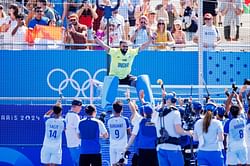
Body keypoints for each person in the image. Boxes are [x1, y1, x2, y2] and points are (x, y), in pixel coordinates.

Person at [94, 30, 156, 109]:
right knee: (112, 83)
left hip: (126, 77)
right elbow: (104, 45)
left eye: (127, 46)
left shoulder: (131, 52)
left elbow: (142, 46)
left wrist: (150, 40)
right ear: (120, 46)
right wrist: (96, 38)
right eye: (123, 46)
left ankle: (147, 104)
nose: (125, 48)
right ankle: (107, 106)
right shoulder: (115, 52)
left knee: (139, 81)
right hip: (114, 77)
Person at [154, 91, 192, 166]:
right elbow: (178, 130)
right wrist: (188, 133)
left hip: (160, 148)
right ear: (174, 100)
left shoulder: (157, 113)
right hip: (173, 148)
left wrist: (162, 102)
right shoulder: (175, 113)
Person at [224, 92, 247, 166]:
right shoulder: (243, 119)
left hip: (232, 147)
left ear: (230, 113)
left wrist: (231, 95)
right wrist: (237, 99)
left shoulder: (229, 122)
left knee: (231, 164)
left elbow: (227, 105)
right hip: (242, 145)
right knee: (244, 164)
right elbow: (241, 107)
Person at [107, 100, 131, 165]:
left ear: (113, 109)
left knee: (113, 164)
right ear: (122, 109)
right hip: (122, 146)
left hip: (112, 145)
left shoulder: (109, 120)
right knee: (121, 164)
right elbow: (129, 133)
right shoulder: (125, 120)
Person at [65, 99, 82, 166]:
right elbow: (78, 133)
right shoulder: (75, 116)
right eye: (80, 106)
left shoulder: (67, 115)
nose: (81, 108)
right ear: (76, 106)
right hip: (77, 145)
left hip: (70, 144)